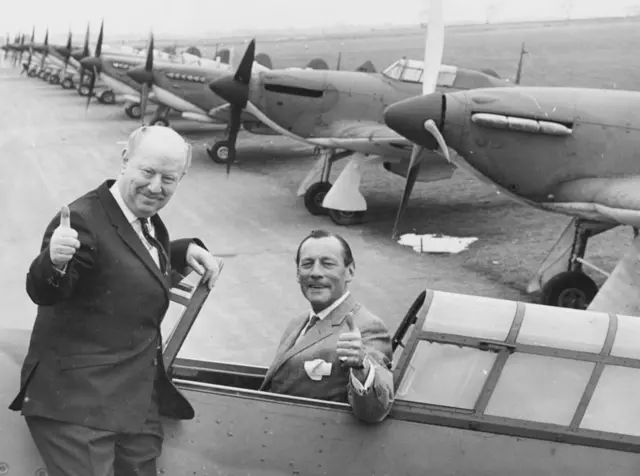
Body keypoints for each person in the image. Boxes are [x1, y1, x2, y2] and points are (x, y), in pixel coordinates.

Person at [9, 125, 223, 476]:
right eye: (148, 171)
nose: (156, 187)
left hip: (129, 403)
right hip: (77, 408)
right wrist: (56, 262)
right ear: (125, 161)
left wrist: (182, 252)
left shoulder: (143, 219)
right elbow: (45, 291)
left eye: (169, 179)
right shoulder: (81, 220)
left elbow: (126, 263)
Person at [260, 229, 394, 423]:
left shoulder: (367, 327)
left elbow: (374, 411)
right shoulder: (297, 322)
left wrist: (361, 364)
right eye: (307, 264)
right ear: (297, 274)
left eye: (327, 264)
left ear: (350, 271)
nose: (315, 273)